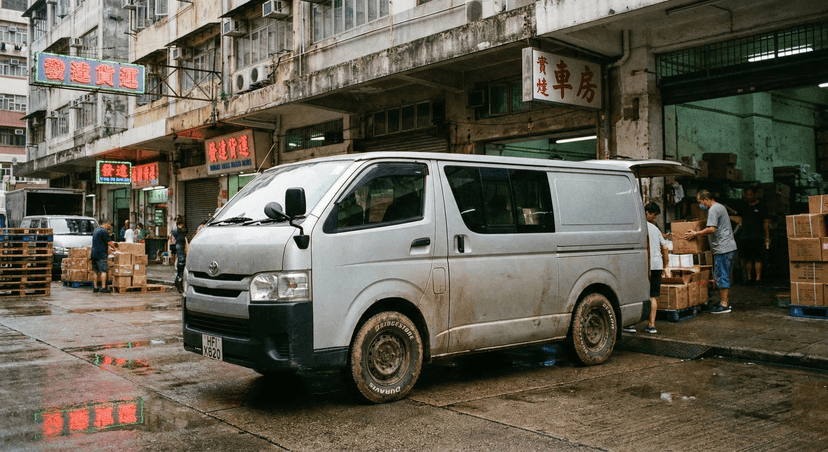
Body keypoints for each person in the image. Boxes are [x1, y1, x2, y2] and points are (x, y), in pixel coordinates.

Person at [685, 189, 738, 314]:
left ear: (706, 199)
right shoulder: (720, 207)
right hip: (727, 247)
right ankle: (724, 301)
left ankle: (724, 304)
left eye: (700, 202)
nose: (700, 205)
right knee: (722, 274)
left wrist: (696, 233)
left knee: (721, 275)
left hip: (723, 248)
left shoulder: (713, 209)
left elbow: (711, 229)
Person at [624, 202, 669, 334]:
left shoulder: (636, 228)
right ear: (647, 213)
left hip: (643, 265)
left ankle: (631, 325)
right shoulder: (654, 228)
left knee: (635, 294)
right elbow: (665, 247)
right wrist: (666, 265)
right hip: (657, 265)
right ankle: (651, 325)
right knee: (652, 296)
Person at [737, 186, 769, 285]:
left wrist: (767, 237)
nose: (749, 197)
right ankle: (749, 278)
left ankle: (758, 278)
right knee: (748, 258)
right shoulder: (744, 207)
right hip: (746, 236)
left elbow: (766, 222)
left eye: (750, 194)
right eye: (747, 195)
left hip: (758, 236)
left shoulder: (762, 207)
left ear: (755, 194)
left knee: (758, 258)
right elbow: (739, 220)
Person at [91, 219, 118, 293]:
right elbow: (110, 243)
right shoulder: (103, 231)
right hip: (101, 254)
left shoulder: (96, 230)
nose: (109, 226)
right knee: (103, 271)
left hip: (93, 253)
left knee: (95, 271)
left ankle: (95, 287)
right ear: (105, 224)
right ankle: (103, 287)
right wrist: (115, 249)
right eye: (109, 224)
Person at [173, 219, 188, 293]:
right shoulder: (179, 232)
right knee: (181, 268)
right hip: (181, 250)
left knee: (180, 269)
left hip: (179, 250)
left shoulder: (175, 230)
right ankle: (178, 284)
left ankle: (178, 282)